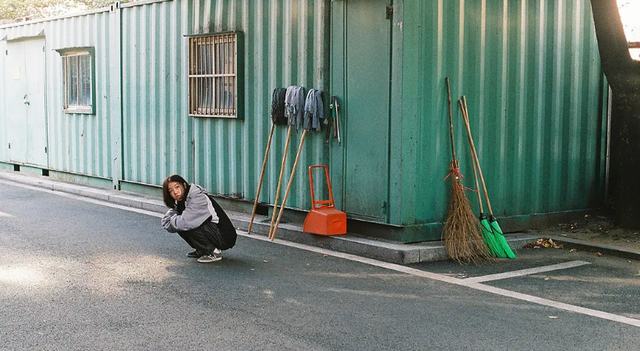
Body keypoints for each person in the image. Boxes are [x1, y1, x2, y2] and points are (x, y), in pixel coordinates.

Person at [161, 174, 237, 263]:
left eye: (177, 187)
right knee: (182, 223)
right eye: (171, 191)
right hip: (214, 232)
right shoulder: (182, 200)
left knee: (186, 223)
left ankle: (213, 252)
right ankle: (203, 249)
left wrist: (174, 221)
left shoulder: (197, 197)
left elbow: (183, 223)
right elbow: (165, 221)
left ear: (184, 185)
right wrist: (175, 221)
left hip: (224, 236)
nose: (175, 192)